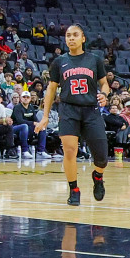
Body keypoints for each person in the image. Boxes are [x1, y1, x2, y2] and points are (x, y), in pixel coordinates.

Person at [35, 24, 111, 206]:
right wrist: (45, 116)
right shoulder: (59, 62)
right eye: (68, 35)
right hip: (68, 109)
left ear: (83, 38)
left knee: (102, 157)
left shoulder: (95, 60)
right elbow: (51, 89)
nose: (71, 38)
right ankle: (74, 189)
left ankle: (98, 176)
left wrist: (105, 95)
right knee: (70, 150)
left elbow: (105, 84)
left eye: (75, 35)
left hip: (91, 110)